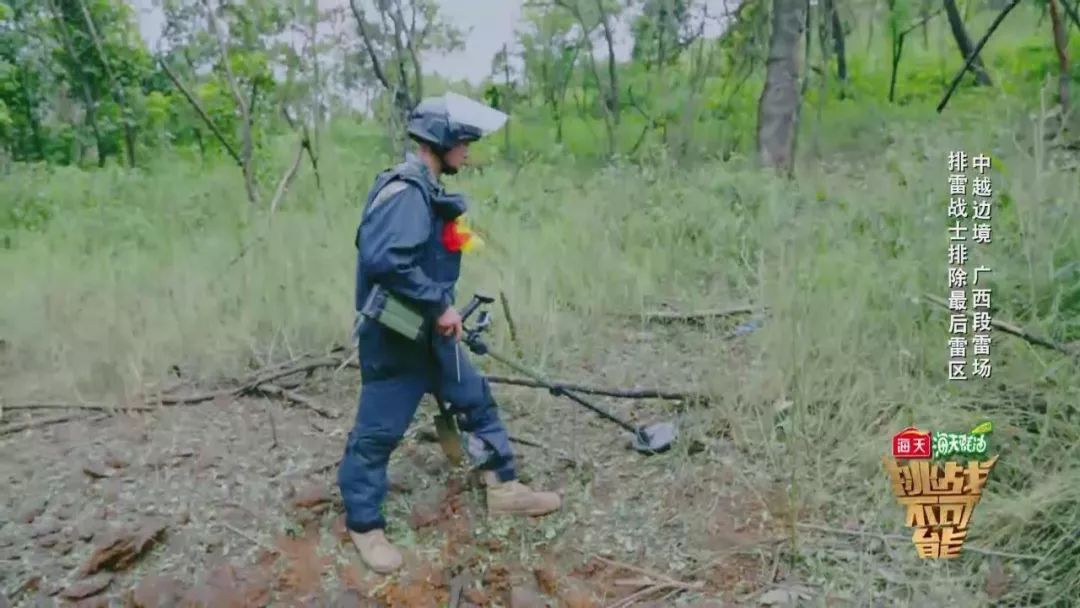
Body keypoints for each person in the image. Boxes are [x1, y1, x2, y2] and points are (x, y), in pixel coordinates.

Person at [338, 94, 562, 574]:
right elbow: (386, 262)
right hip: (396, 332)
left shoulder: (427, 189)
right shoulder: (405, 191)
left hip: (427, 326)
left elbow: (422, 253)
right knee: (378, 431)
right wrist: (439, 305)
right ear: (439, 141)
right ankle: (364, 524)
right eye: (463, 141)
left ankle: (503, 488)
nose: (468, 150)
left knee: (474, 398)